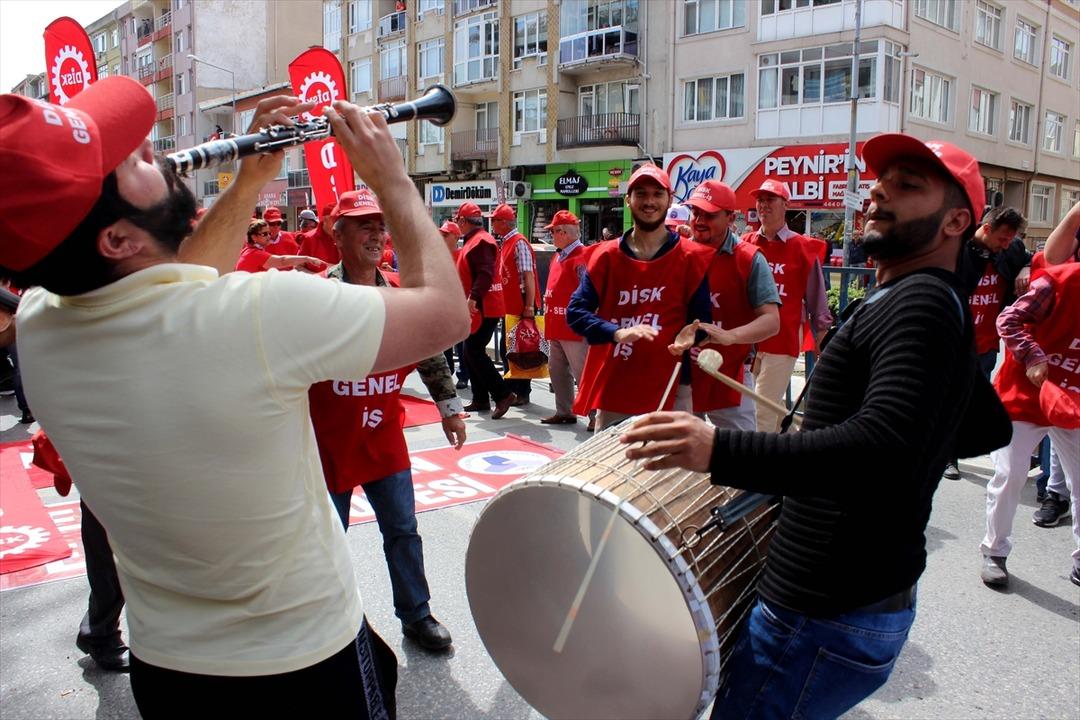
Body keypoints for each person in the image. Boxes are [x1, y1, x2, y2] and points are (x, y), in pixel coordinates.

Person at [0, 76, 469, 715]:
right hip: (305, 664)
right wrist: (391, 180)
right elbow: (445, 316)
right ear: (116, 240)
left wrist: (248, 183)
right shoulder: (258, 314)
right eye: (131, 161)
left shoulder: (40, 322)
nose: (154, 151)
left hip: (169, 669)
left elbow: (182, 284)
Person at [619, 134, 1011, 720]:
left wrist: (718, 448)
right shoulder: (927, 298)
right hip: (845, 603)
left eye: (907, 186)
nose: (878, 193)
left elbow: (883, 445)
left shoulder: (920, 303)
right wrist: (905, 464)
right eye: (880, 182)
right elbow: (984, 425)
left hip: (825, 611)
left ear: (957, 220)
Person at [309, 188, 464, 650]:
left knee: (402, 530)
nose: (376, 234)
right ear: (338, 235)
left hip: (382, 438)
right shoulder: (317, 295)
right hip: (327, 441)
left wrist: (450, 408)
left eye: (380, 225)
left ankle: (417, 615)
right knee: (326, 542)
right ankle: (332, 627)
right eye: (363, 225)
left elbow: (429, 351)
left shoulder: (400, 292)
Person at [567, 164, 712, 431]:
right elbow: (576, 312)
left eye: (657, 194)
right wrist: (616, 332)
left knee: (670, 472)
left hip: (672, 385)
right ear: (628, 200)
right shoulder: (605, 256)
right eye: (641, 193)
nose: (649, 201)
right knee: (610, 471)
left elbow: (702, 320)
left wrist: (692, 333)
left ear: (669, 199)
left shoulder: (692, 257)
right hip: (616, 385)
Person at [981, 260, 1079, 588]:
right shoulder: (1058, 283)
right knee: (1010, 474)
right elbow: (1008, 320)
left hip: (1071, 399)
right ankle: (995, 551)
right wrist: (1034, 356)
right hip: (1024, 394)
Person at [672, 180, 780, 431]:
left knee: (742, 457)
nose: (698, 220)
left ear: (731, 217)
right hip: (681, 375)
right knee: (680, 460)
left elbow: (772, 320)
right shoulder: (677, 253)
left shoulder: (750, 259)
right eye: (695, 212)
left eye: (709, 215)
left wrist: (730, 336)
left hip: (730, 375)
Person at [942, 206, 1030, 479]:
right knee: (950, 401)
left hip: (987, 344)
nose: (1005, 246)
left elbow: (1032, 257)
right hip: (955, 343)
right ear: (987, 229)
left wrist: (1025, 267)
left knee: (971, 402)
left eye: (1010, 240)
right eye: (1002, 239)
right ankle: (947, 456)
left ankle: (958, 446)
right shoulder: (958, 249)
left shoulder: (1011, 250)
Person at [742, 179, 833, 431]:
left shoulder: (803, 248)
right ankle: (794, 445)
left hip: (783, 339)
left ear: (786, 205)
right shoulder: (745, 242)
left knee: (761, 410)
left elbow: (816, 296)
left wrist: (823, 334)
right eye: (760, 200)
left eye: (770, 199)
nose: (764, 205)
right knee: (760, 405)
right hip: (747, 340)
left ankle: (762, 465)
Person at [454, 202, 516, 419]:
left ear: (462, 221)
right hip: (483, 305)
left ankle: (503, 394)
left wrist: (473, 298)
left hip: (484, 306)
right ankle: (480, 398)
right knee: (470, 351)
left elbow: (485, 274)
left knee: (473, 351)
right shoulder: (476, 240)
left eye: (457, 221)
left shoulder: (480, 242)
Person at [539, 210, 589, 425]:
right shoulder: (557, 256)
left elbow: (591, 292)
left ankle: (596, 415)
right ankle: (564, 411)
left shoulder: (583, 257)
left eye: (554, 232)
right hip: (556, 323)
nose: (552, 236)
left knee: (583, 373)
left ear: (564, 232)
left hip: (574, 326)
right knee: (557, 371)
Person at [490, 203, 538, 406]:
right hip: (510, 305)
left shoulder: (518, 242)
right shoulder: (507, 242)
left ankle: (522, 392)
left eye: (494, 220)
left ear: (503, 223)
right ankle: (513, 388)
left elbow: (528, 276)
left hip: (520, 304)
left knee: (521, 349)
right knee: (508, 348)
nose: (491, 224)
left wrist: (529, 307)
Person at [439, 220, 469, 390]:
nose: (441, 237)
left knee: (461, 344)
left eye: (445, 235)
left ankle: (463, 375)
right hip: (443, 306)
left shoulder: (463, 255)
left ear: (456, 237)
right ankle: (447, 371)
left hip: (461, 305)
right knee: (445, 343)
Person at [235, 218, 325, 273]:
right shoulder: (254, 253)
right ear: (254, 237)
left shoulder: (249, 250)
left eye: (269, 233)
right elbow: (283, 261)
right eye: (264, 234)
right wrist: (307, 258)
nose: (269, 236)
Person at [298, 201, 342, 265]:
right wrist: (316, 275)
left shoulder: (347, 237)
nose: (338, 221)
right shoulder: (309, 238)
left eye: (340, 218)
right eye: (334, 218)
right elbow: (298, 267)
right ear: (325, 219)